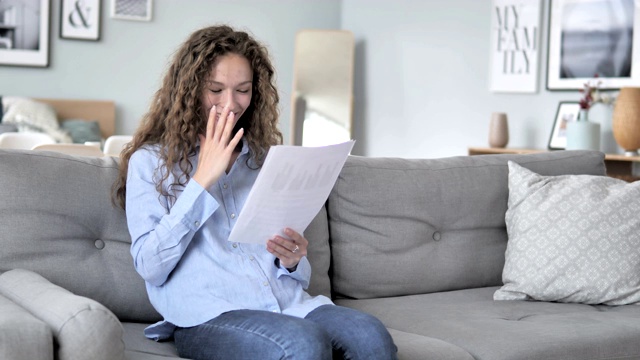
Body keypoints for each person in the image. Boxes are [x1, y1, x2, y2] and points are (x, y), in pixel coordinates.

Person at [113, 25, 397, 360]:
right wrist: (201, 180)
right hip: (208, 316)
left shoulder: (265, 160)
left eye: (243, 90)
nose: (230, 105)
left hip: (288, 306)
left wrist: (293, 260)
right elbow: (150, 265)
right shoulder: (151, 162)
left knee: (372, 336)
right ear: (188, 90)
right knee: (302, 344)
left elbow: (294, 272)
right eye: (215, 89)